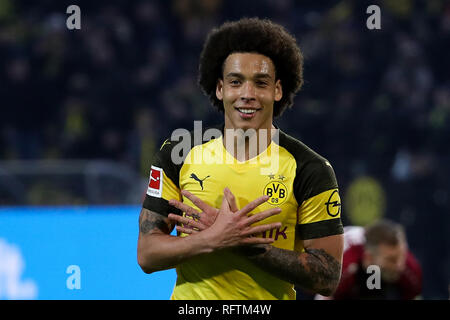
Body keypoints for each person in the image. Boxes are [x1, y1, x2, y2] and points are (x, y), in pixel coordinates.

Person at [137, 18, 344, 300]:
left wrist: (244, 244)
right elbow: (147, 255)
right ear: (220, 88)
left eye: (260, 83)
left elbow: (328, 277)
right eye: (236, 82)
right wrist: (212, 239)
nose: (247, 94)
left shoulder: (310, 169)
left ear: (277, 90)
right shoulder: (179, 153)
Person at [328, 220, 422, 299]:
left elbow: (413, 295)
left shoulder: (410, 267)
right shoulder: (342, 265)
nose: (400, 266)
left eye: (402, 256)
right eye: (391, 260)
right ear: (369, 258)